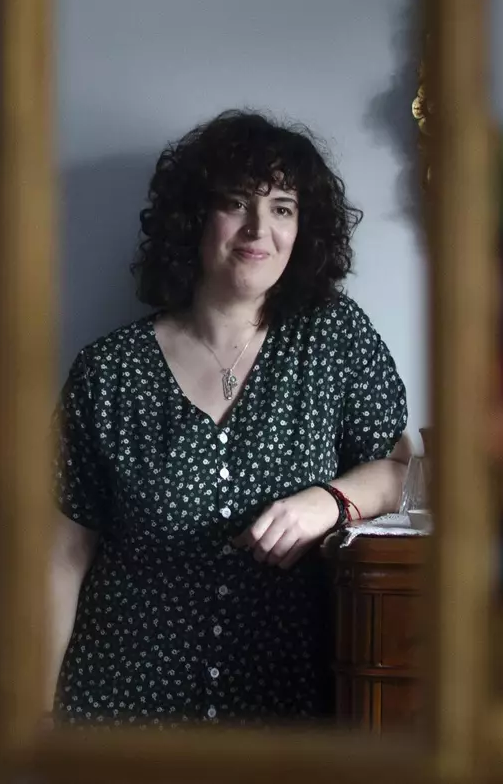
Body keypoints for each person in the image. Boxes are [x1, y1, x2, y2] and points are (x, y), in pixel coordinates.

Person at [48, 110, 411, 727]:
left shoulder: (333, 338)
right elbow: (58, 556)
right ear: (195, 217)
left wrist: (330, 501)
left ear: (303, 229)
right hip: (122, 713)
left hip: (281, 712)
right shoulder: (108, 371)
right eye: (236, 203)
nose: (258, 228)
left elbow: (402, 471)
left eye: (282, 208)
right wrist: (36, 719)